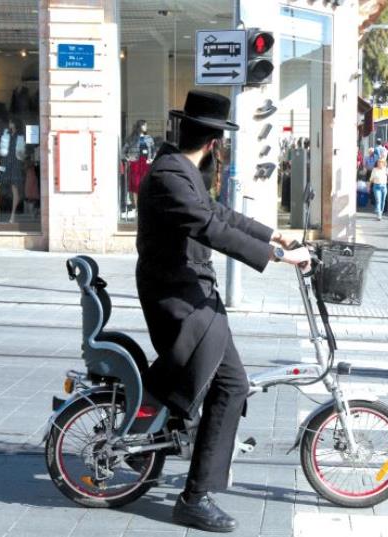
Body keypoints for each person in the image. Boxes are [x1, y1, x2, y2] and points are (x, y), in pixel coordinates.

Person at [135, 90, 311, 533]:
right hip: (177, 297)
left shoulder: (180, 169)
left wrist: (275, 235)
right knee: (231, 385)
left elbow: (218, 213)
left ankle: (174, 429)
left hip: (190, 291)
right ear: (215, 142)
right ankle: (194, 498)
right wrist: (275, 255)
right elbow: (208, 226)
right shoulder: (170, 176)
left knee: (226, 383)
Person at [0, 117, 27, 223]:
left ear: (16, 124)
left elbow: (28, 150)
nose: (9, 124)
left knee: (15, 189)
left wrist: (25, 157)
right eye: (9, 122)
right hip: (4, 164)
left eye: (11, 122)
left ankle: (13, 216)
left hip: (15, 164)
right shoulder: (4, 133)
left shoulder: (22, 136)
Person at [122, 119, 159, 211]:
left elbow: (154, 150)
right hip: (135, 163)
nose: (146, 127)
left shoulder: (149, 138)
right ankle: (137, 206)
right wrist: (128, 159)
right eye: (144, 125)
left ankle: (144, 206)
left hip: (146, 163)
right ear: (140, 126)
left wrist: (151, 159)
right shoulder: (131, 138)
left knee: (146, 185)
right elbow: (123, 151)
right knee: (135, 185)